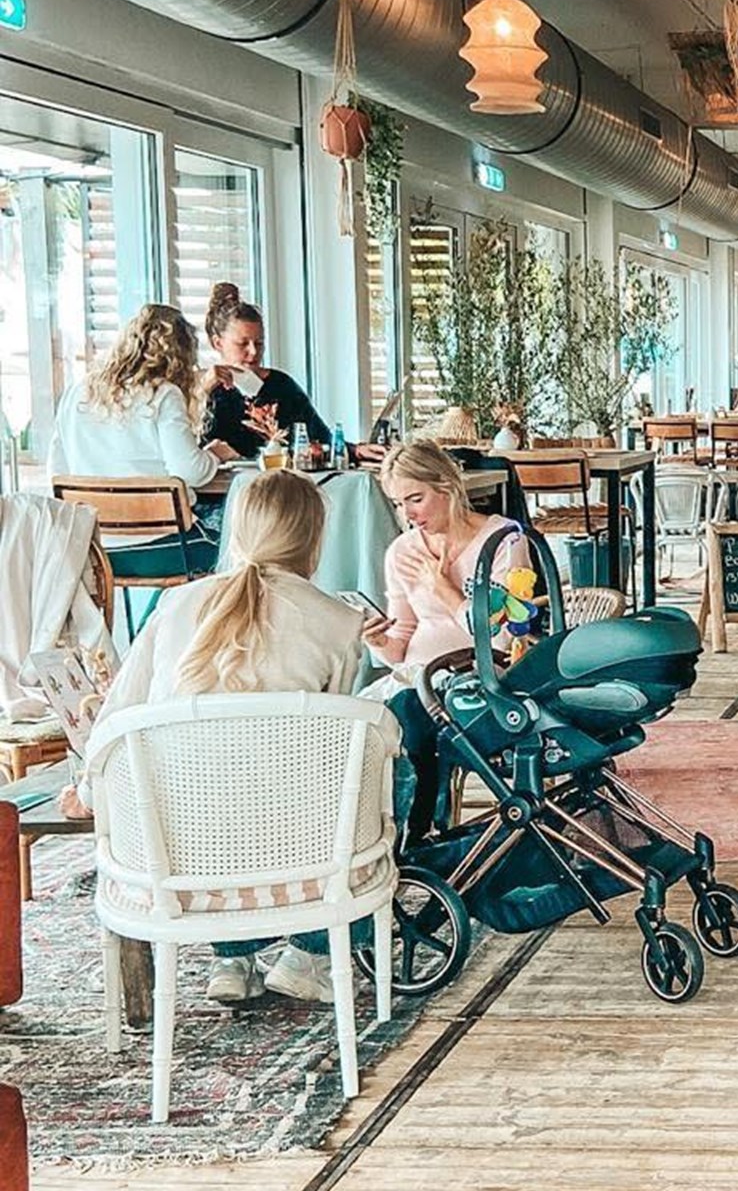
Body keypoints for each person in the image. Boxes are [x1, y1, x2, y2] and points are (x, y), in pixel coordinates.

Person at [76, 471, 372, 1003]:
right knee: (373, 770)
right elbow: (336, 744)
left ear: (238, 530)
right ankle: (308, 954)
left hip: (180, 854)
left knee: (215, 787)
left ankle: (232, 960)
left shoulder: (175, 604)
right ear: (314, 537)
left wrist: (85, 792)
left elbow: (119, 713)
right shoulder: (340, 622)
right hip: (294, 853)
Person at [364, 441, 528, 846]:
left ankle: (416, 835)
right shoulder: (402, 551)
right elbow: (400, 644)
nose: (407, 514)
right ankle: (377, 836)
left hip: (481, 678)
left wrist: (444, 590)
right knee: (359, 720)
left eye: (415, 499)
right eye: (398, 504)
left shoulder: (503, 540)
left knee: (410, 710)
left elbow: (502, 635)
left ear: (448, 486)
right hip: (416, 676)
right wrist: (379, 640)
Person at [48, 304, 238, 582]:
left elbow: (57, 472)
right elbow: (190, 471)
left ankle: (156, 614)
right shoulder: (163, 394)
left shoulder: (76, 392)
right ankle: (161, 614)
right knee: (241, 545)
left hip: (94, 550)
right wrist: (215, 455)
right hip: (161, 548)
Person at [199, 283, 330, 461]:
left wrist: (355, 450)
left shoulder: (281, 385)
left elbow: (321, 438)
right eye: (243, 344)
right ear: (218, 343)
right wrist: (203, 392)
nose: (254, 352)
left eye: (259, 343)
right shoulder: (202, 389)